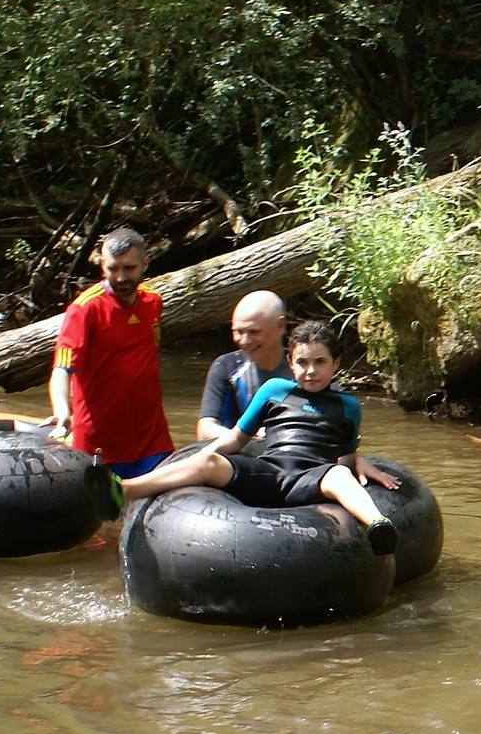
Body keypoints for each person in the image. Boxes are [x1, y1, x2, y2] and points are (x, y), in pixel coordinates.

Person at [117, 320, 401, 551]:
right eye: (302, 362)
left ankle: (377, 524)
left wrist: (359, 463)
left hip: (311, 477)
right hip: (269, 471)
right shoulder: (274, 390)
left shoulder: (347, 406)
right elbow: (238, 438)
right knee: (211, 462)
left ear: (335, 363)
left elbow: (345, 456)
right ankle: (125, 489)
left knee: (339, 476)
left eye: (320, 362)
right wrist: (203, 455)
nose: (311, 370)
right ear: (290, 362)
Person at [47, 227, 174, 477]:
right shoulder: (84, 309)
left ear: (145, 263)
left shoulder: (153, 302)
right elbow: (62, 368)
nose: (121, 277)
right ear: (102, 265)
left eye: (129, 268)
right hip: (98, 441)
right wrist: (62, 411)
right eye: (113, 269)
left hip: (151, 437)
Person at [196, 290, 290, 440]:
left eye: (254, 332)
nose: (244, 341)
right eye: (239, 331)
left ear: (281, 326)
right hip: (237, 454)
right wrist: (248, 436)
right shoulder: (226, 366)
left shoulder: (304, 368)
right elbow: (205, 430)